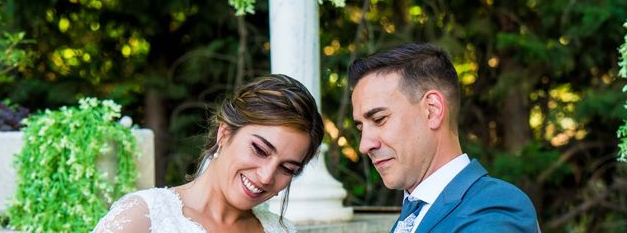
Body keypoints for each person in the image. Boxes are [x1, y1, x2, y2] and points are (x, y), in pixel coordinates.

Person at [94, 74, 324, 233]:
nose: (266, 177)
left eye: (287, 169)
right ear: (224, 134)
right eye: (260, 150)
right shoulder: (144, 217)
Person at [349, 43, 540, 233]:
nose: (364, 145)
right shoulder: (412, 215)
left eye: (379, 119)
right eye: (360, 127)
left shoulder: (495, 209)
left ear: (432, 110)